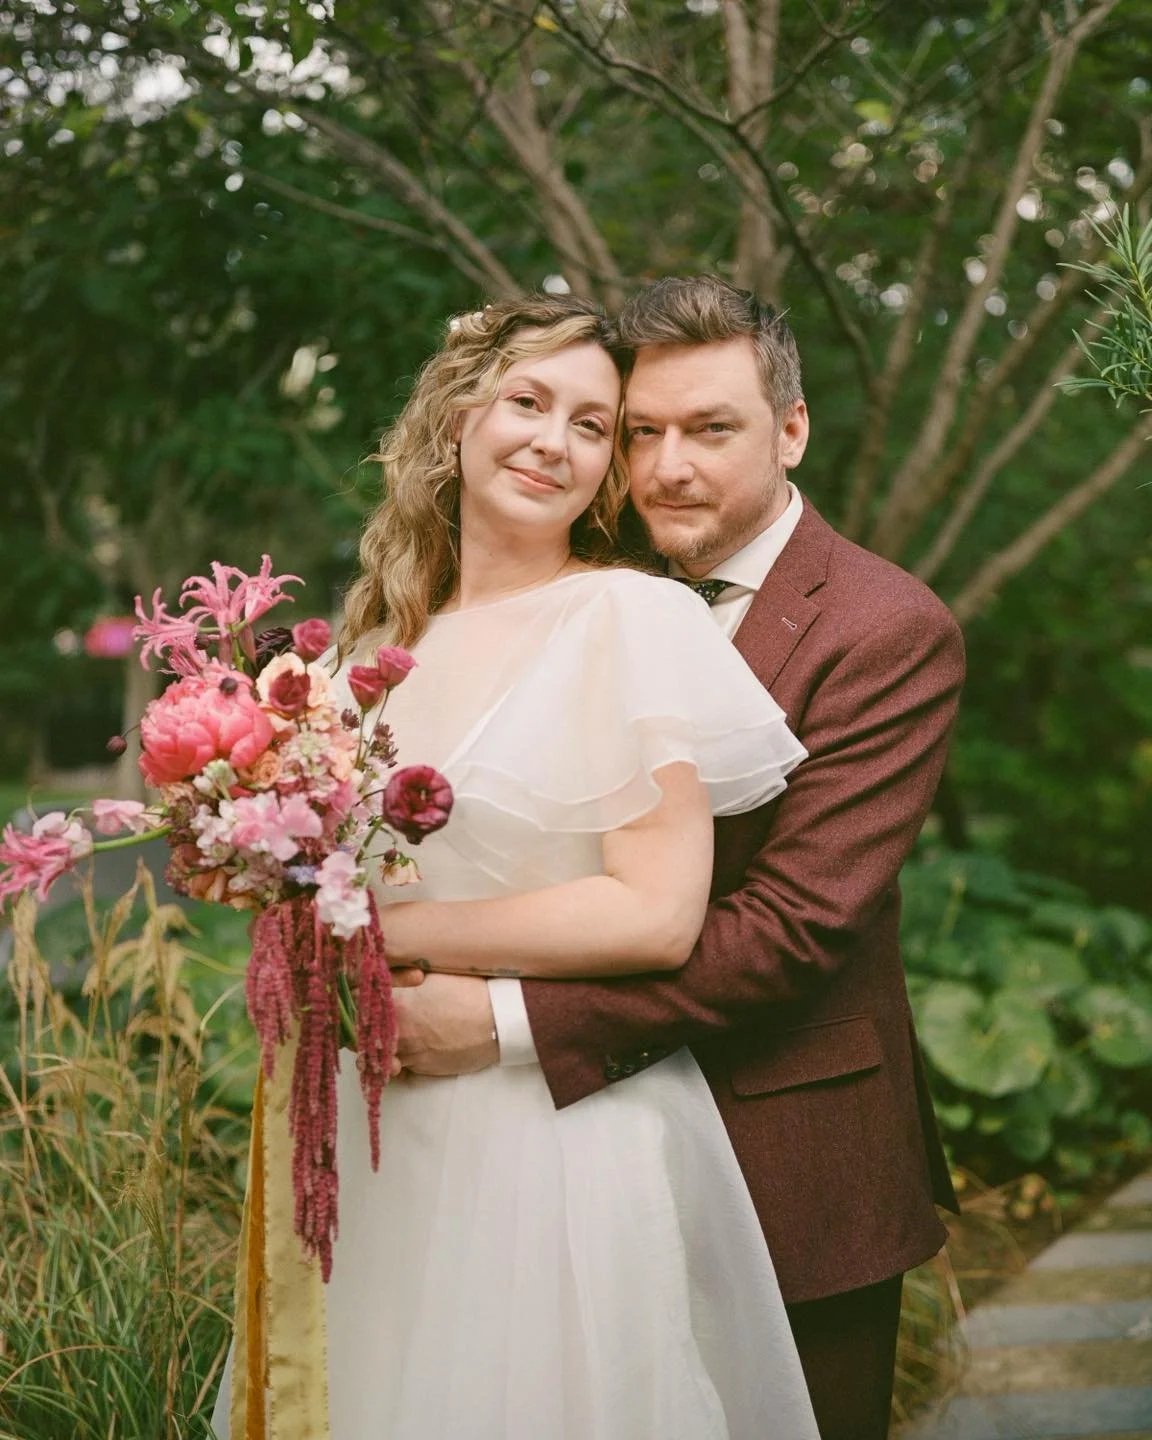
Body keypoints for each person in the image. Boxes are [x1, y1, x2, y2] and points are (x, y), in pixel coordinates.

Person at [212, 294, 820, 1438]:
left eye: (594, 427)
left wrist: (385, 939)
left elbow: (654, 916)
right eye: (529, 403)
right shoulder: (360, 660)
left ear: (605, 475)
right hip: (373, 1131)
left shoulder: (628, 619)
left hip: (548, 1135)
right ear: (456, 420)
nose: (555, 440)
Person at [390, 276, 967, 1440]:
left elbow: (790, 927)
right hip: (549, 1177)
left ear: (792, 428)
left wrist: (502, 1025)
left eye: (711, 430)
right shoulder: (596, 592)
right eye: (640, 434)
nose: (667, 468)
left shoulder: (883, 627)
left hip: (789, 1157)